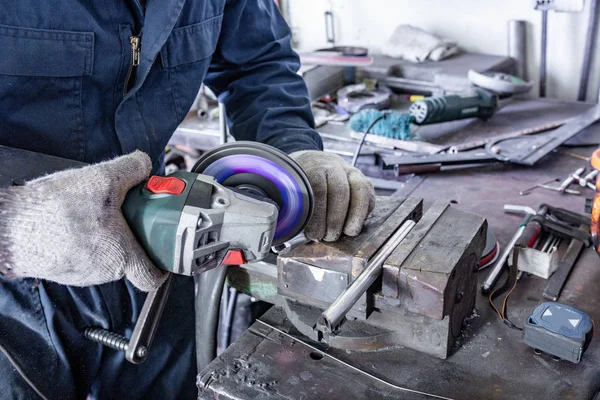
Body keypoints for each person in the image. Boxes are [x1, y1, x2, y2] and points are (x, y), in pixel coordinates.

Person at [0, 0, 375, 398]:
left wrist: (293, 151)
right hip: (18, 275)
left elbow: (256, 65)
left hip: (159, 249)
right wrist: (13, 226)